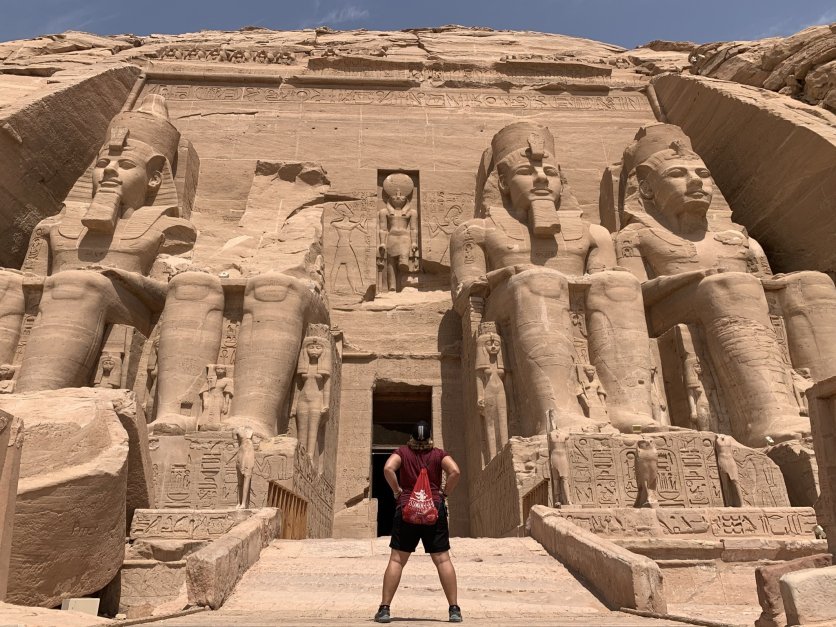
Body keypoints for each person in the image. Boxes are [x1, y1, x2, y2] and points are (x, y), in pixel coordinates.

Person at [375, 420, 462, 623]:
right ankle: (454, 609)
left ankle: (385, 608)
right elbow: (455, 471)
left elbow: (388, 468)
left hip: (407, 510)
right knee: (442, 559)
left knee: (397, 559)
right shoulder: (439, 454)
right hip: (433, 510)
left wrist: (397, 491)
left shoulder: (403, 452)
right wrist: (444, 493)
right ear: (430, 437)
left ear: (412, 437)